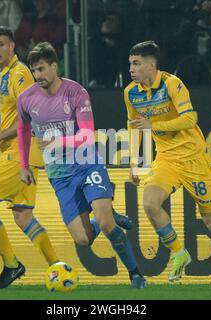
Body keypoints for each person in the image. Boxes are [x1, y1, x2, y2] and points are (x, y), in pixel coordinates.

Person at [17, 42, 146, 288]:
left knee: (106, 225)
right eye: (34, 71)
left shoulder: (76, 93)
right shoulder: (26, 99)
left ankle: (135, 274)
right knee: (83, 239)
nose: (38, 76)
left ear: (55, 66)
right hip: (60, 176)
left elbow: (87, 135)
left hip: (87, 165)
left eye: (42, 69)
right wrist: (24, 165)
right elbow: (23, 130)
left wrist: (56, 142)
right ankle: (105, 216)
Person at [124, 41, 211, 289]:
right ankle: (179, 252)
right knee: (150, 204)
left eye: (137, 63)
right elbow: (134, 126)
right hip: (166, 160)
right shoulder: (131, 92)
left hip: (194, 160)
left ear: (152, 65)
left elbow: (190, 118)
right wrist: (135, 163)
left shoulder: (172, 83)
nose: (131, 68)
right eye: (130, 63)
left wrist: (156, 126)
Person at [0, 27, 59, 289]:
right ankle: (58, 268)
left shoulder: (19, 74)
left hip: (16, 153)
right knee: (23, 216)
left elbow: (31, 116)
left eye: (1, 44)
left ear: (12, 47)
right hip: (24, 155)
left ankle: (12, 265)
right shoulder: (5, 74)